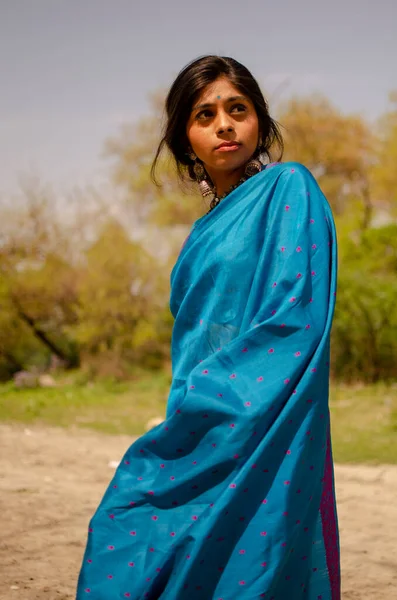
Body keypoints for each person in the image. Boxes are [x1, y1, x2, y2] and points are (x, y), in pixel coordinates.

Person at [76, 55, 340, 600]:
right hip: (195, 418)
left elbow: (297, 315)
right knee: (131, 533)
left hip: (263, 412)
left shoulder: (289, 189)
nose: (224, 124)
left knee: (248, 558)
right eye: (205, 114)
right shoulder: (200, 236)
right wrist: (190, 409)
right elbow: (197, 336)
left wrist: (219, 398)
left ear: (260, 124)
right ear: (185, 139)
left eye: (237, 109)